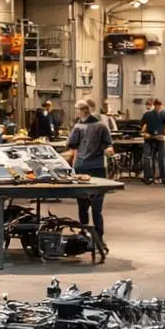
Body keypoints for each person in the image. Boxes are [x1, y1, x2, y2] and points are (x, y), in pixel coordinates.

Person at [64, 98, 114, 241]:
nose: (76, 112)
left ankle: (84, 233)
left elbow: (71, 144)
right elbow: (108, 144)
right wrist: (108, 149)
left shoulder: (78, 127)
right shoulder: (101, 126)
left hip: (82, 168)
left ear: (83, 111)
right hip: (97, 167)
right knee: (97, 208)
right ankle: (99, 238)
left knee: (83, 205)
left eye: (77, 110)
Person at [139, 98, 165, 185]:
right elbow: (142, 126)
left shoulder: (164, 115)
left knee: (158, 158)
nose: (159, 108)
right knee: (150, 158)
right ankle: (151, 177)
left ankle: (160, 178)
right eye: (158, 106)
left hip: (156, 139)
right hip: (151, 139)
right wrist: (145, 133)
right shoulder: (148, 115)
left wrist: (164, 135)